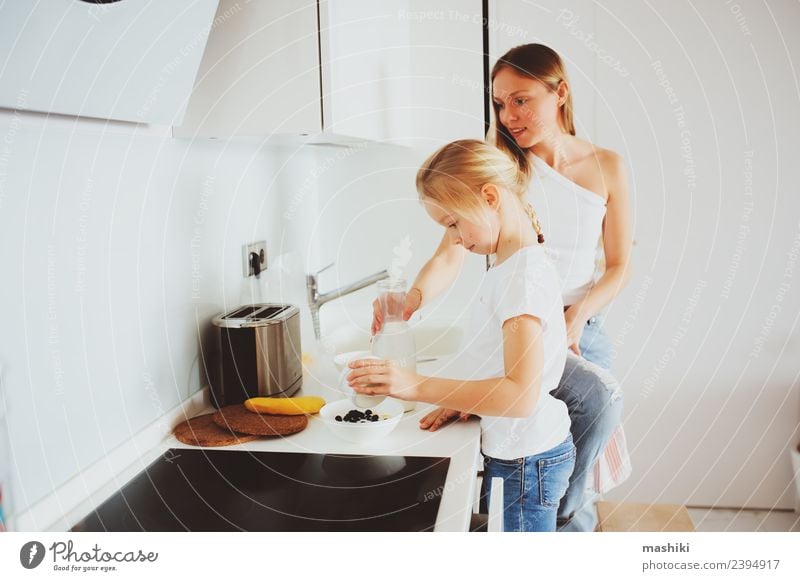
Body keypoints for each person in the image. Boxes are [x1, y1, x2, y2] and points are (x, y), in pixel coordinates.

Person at [372, 44, 633, 532]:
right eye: (499, 103)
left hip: (580, 326)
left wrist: (573, 319)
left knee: (584, 438)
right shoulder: (498, 167)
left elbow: (619, 265)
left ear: (560, 94)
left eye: (521, 100)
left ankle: (563, 518)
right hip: (521, 330)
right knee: (531, 452)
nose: (508, 115)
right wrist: (413, 300)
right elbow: (450, 251)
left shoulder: (607, 167)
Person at [349, 140, 575, 532]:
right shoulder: (510, 263)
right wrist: (461, 398)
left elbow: (520, 396)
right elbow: (502, 369)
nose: (454, 237)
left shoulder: (520, 278)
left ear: (489, 197)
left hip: (527, 462)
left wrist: (416, 385)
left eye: (453, 223)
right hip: (522, 454)